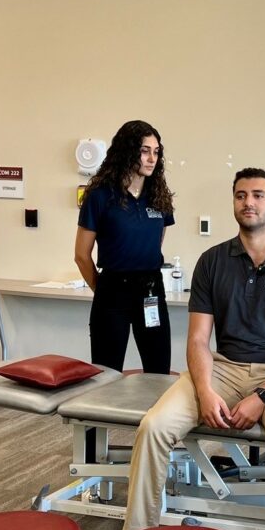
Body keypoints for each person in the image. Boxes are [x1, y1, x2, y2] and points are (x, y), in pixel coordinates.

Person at [121, 168, 265, 530]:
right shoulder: (212, 261)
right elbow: (198, 341)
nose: (248, 202)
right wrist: (205, 390)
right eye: (240, 195)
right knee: (154, 425)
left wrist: (261, 397)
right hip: (225, 367)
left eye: (257, 195)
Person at [74, 120, 175, 374]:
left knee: (158, 369)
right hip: (113, 289)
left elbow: (155, 244)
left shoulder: (159, 196)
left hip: (151, 289)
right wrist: (104, 291)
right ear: (127, 151)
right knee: (106, 372)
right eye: (144, 150)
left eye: (156, 151)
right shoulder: (100, 196)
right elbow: (81, 256)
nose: (152, 158)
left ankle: (153, 415)